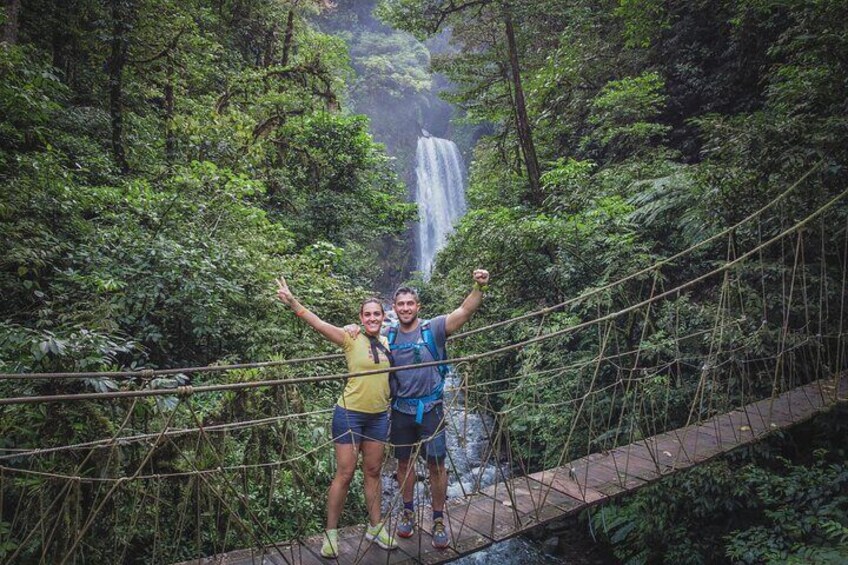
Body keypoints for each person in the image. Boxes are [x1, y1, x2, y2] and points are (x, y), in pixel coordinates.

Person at [346, 268, 490, 549]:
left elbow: (464, 311)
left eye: (410, 304)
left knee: (437, 465)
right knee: (403, 463)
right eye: (400, 305)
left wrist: (479, 287)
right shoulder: (387, 335)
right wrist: (353, 329)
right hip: (400, 410)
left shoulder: (433, 328)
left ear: (417, 306)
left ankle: (438, 518)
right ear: (394, 309)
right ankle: (408, 512)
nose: (405, 308)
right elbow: (364, 335)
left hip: (432, 408)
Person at [275, 276, 397, 559]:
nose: (372, 318)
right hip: (350, 414)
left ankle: (375, 527)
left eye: (376, 314)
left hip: (379, 415)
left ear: (383, 316)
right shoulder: (349, 337)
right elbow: (318, 324)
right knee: (344, 473)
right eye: (367, 314)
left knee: (373, 472)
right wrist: (293, 302)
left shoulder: (389, 340)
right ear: (360, 317)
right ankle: (330, 533)